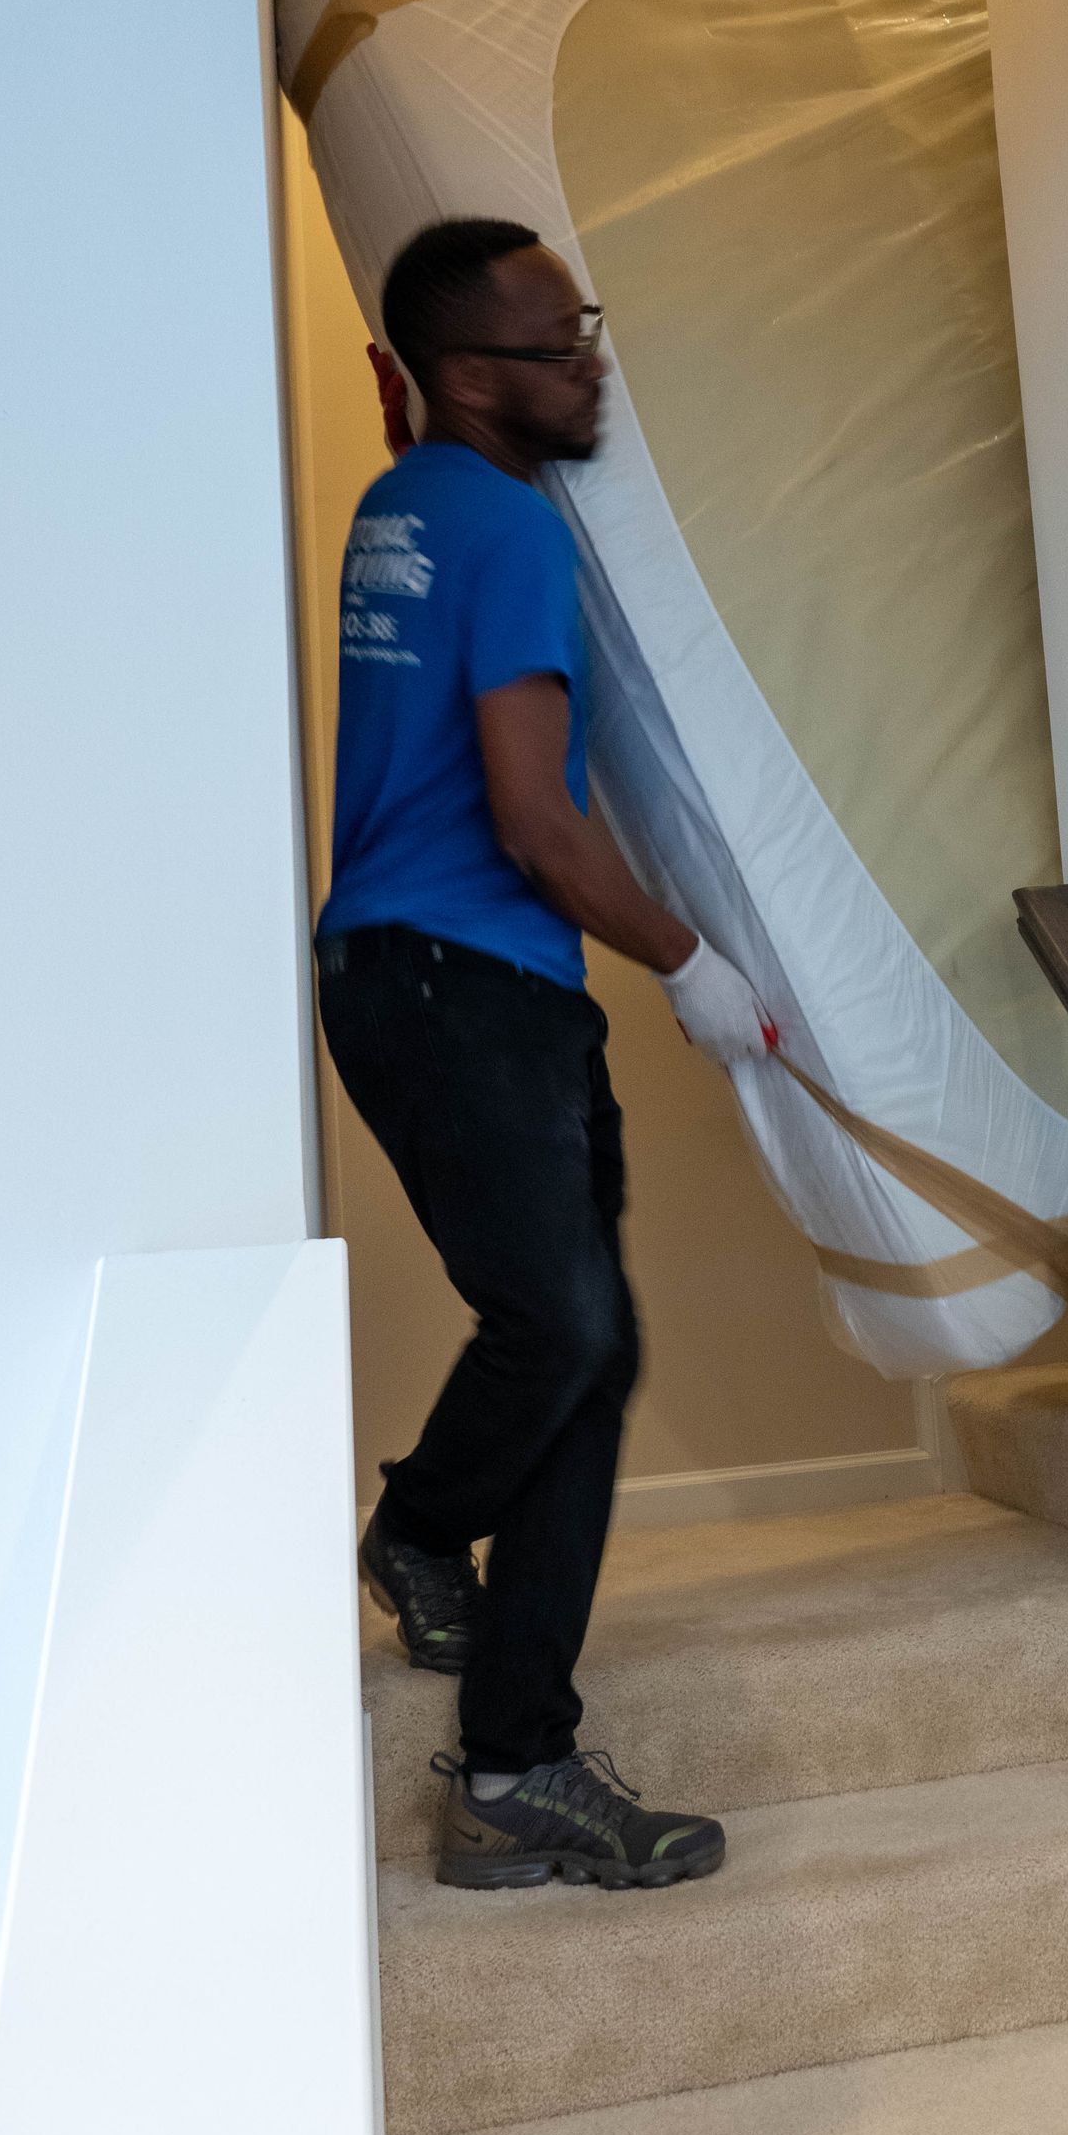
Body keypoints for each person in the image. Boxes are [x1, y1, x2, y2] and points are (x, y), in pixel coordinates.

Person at [317, 215, 775, 1894]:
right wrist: (690, 960)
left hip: (407, 980)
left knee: (590, 1350)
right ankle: (432, 1548)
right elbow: (533, 819)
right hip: (470, 980)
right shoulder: (508, 528)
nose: (592, 365)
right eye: (558, 342)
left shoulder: (403, 507)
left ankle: (514, 1755)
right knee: (569, 1326)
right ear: (463, 379)